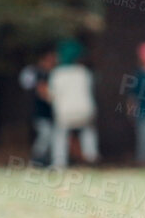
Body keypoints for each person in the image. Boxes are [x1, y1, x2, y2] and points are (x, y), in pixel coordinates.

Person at [48, 38, 99, 168]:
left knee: (60, 135)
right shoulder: (84, 72)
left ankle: (59, 162)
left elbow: (53, 94)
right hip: (85, 109)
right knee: (88, 131)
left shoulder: (57, 73)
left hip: (65, 111)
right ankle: (91, 155)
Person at [18, 49, 58, 166]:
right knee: (45, 134)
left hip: (50, 113)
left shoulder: (52, 73)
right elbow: (42, 92)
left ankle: (45, 161)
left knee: (50, 136)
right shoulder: (38, 73)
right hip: (40, 112)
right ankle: (36, 159)